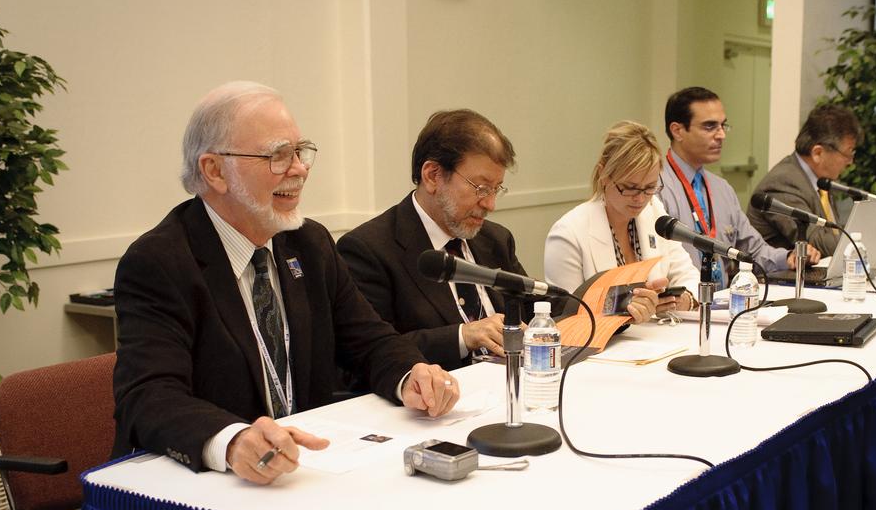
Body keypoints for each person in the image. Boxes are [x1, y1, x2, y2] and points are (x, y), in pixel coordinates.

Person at [112, 81, 459, 486]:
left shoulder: (309, 243)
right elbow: (149, 396)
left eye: (299, 151)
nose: (299, 169)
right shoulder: (160, 262)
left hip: (303, 471)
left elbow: (369, 340)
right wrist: (232, 440)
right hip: (207, 485)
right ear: (214, 170)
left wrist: (411, 374)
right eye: (277, 155)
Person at [338, 110, 526, 369]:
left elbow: (538, 308)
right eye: (481, 188)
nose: (490, 204)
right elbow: (370, 351)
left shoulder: (495, 239)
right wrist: (462, 336)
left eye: (496, 189)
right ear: (432, 175)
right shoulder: (368, 250)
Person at [657, 87, 818, 287]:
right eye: (710, 126)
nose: (721, 135)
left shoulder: (722, 189)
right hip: (679, 301)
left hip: (722, 301)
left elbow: (755, 251)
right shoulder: (655, 188)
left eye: (723, 125)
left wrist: (789, 257)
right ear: (677, 131)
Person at [545, 121, 698, 320]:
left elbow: (687, 273)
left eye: (649, 187)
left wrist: (683, 300)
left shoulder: (654, 211)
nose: (640, 199)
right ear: (604, 175)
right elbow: (567, 315)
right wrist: (624, 308)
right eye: (630, 188)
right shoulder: (568, 233)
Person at [748, 103, 876, 261]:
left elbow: (833, 233)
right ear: (818, 153)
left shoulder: (819, 180)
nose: (850, 161)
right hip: (777, 279)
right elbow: (817, 240)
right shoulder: (783, 182)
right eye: (848, 153)